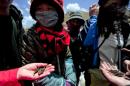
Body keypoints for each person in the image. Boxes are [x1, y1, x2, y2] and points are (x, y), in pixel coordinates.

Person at [22, 0, 77, 86]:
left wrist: (71, 79)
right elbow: (31, 68)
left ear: (58, 12)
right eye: (39, 9)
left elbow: (67, 56)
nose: (44, 13)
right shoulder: (31, 36)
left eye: (49, 8)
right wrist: (61, 83)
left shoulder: (63, 35)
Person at [82, 0, 130, 86]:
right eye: (113, 4)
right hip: (97, 76)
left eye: (120, 4)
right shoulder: (96, 27)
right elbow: (86, 43)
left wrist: (125, 60)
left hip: (119, 75)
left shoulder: (125, 28)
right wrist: (93, 18)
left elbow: (125, 49)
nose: (117, 8)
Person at [66, 11, 85, 85]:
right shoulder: (64, 36)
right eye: (73, 21)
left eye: (78, 22)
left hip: (78, 67)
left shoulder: (83, 36)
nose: (76, 24)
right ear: (69, 23)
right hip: (67, 68)